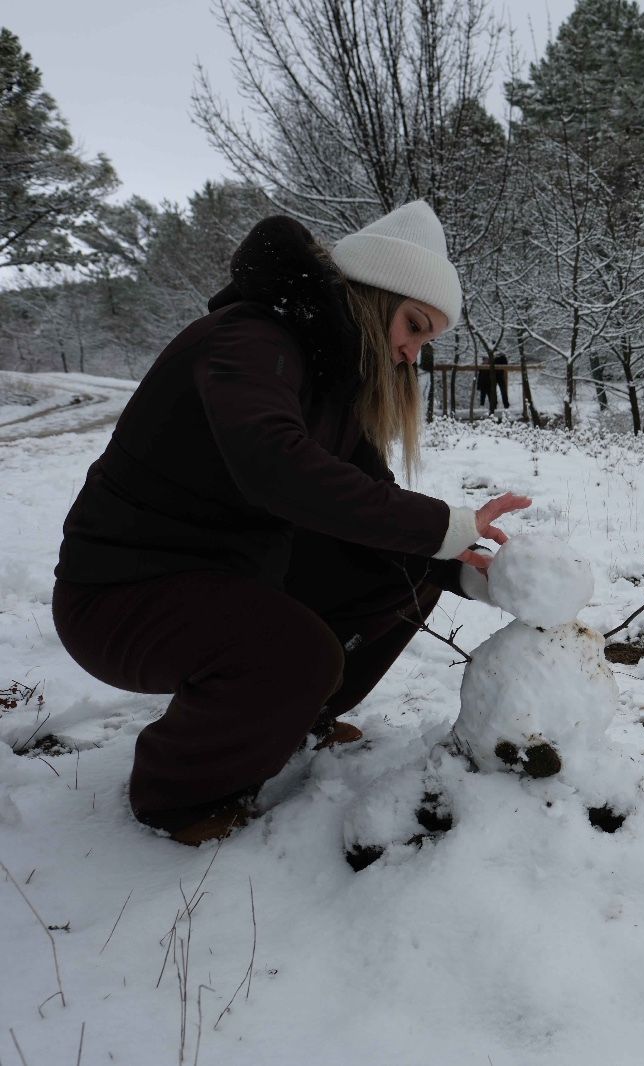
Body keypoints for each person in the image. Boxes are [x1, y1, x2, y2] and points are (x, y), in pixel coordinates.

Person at [51, 201, 527, 845]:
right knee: (294, 653)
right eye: (413, 327)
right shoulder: (250, 338)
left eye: (426, 343)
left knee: (404, 568)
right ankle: (176, 796)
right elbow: (274, 465)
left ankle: (297, 717)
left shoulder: (330, 383)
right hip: (122, 595)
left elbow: (372, 509)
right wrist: (443, 524)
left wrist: (465, 567)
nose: (412, 355)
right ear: (373, 297)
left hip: (229, 578)